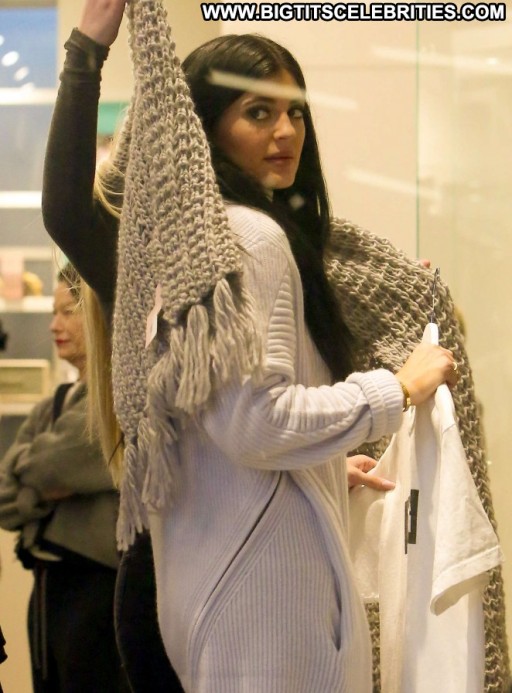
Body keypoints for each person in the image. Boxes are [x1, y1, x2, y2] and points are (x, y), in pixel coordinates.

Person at [41, 2, 459, 691]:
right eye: (258, 113)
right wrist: (86, 51)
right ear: (206, 129)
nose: (285, 131)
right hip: (216, 583)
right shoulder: (207, 252)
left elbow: (233, 421)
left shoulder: (268, 247)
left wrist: (313, 469)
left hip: (222, 564)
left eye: (295, 112)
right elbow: (253, 419)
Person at [0, 264, 127, 693]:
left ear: (100, 313)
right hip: (47, 591)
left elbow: (47, 466)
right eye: (53, 313)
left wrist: (34, 482)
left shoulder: (115, 399)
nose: (55, 326)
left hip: (97, 592)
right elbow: (4, 495)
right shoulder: (53, 404)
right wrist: (41, 489)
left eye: (68, 312)